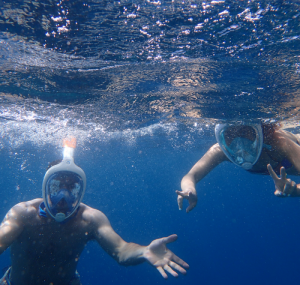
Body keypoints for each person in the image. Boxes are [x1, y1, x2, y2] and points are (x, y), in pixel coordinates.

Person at [0, 139, 189, 285]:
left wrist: (144, 251)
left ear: (80, 191)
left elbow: (121, 251)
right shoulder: (23, 214)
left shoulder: (89, 219)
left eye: (71, 188)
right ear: (45, 187)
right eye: (57, 187)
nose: (63, 197)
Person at [176, 122, 300, 212]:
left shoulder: (279, 144)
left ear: (258, 132)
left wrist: (297, 191)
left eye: (244, 132)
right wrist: (189, 189)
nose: (238, 142)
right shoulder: (221, 151)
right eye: (230, 135)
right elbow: (191, 175)